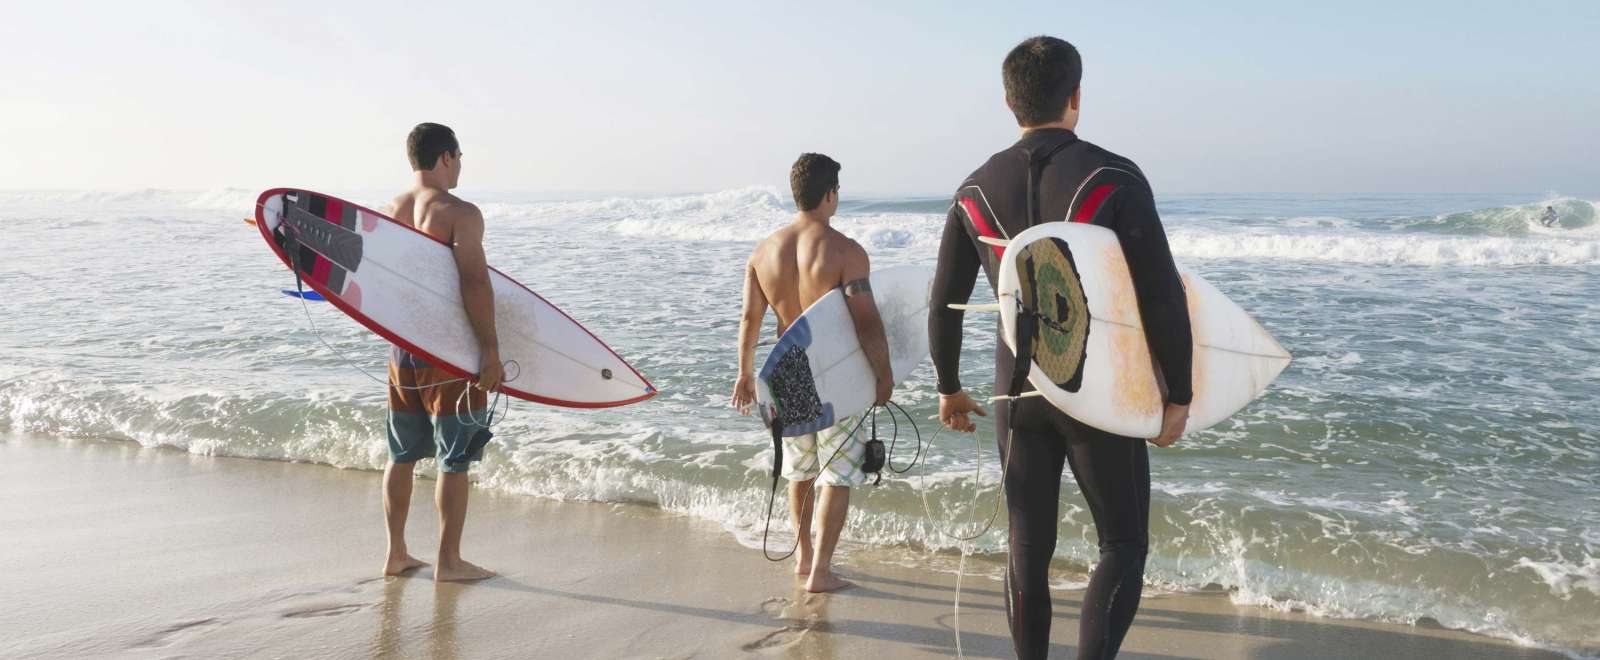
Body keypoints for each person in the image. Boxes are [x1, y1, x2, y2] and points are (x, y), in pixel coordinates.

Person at [928, 37, 1194, 659]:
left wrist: (947, 386)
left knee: (1027, 551)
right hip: (1095, 389)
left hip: (1015, 392)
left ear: (1008, 102)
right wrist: (1176, 394)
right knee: (1122, 545)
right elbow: (1161, 293)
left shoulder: (972, 190)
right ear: (1076, 96)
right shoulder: (1112, 175)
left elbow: (943, 302)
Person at [731, 153, 893, 593]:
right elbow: (866, 321)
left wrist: (745, 374)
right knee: (837, 474)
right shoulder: (846, 251)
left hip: (787, 371)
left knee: (800, 470)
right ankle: (821, 572)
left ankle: (804, 559)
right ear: (830, 194)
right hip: (834, 373)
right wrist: (884, 374)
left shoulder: (764, 252)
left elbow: (750, 318)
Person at [378, 122, 501, 582]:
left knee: (401, 453)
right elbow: (474, 281)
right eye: (460, 156)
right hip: (448, 355)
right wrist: (489, 350)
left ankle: (396, 554)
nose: (461, 164)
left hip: (402, 353)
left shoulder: (388, 211)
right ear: (446, 157)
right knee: (455, 458)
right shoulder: (458, 212)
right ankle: (449, 561)